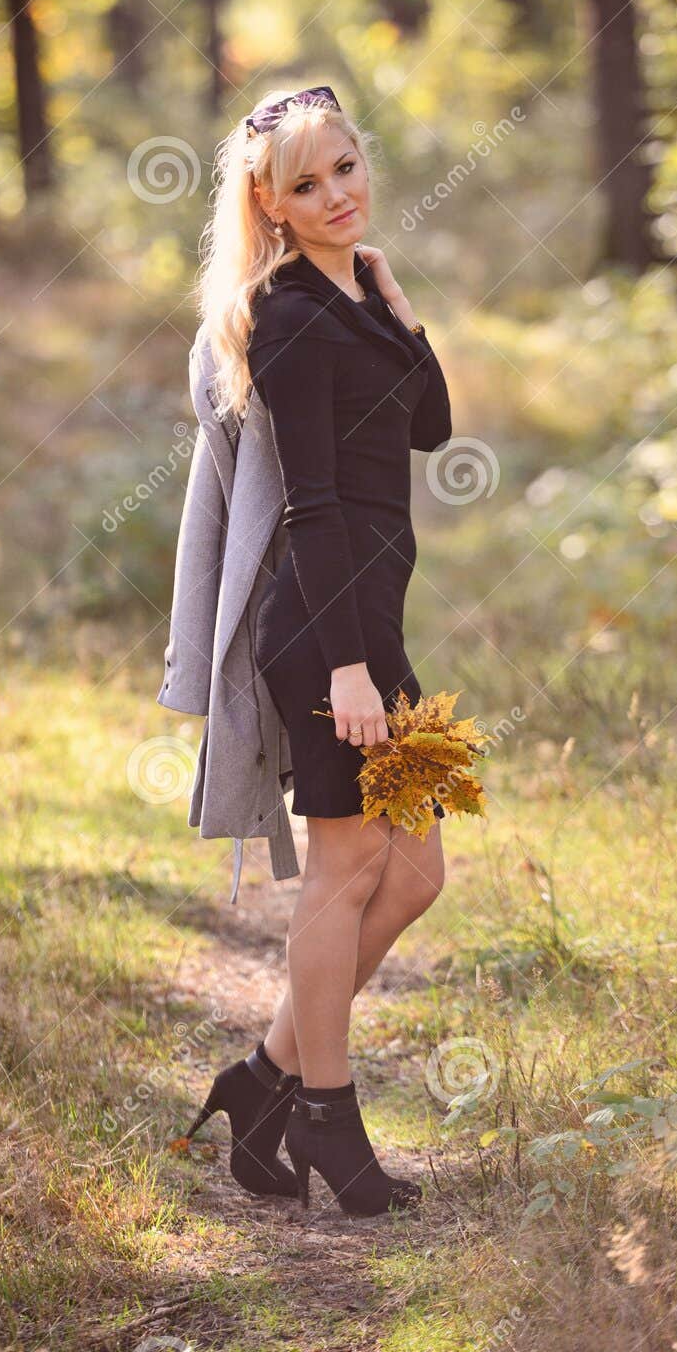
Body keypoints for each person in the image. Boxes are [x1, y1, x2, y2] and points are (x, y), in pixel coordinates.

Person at [182, 84, 453, 1216]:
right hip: (324, 625)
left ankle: (262, 1082)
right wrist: (346, 668)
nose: (336, 194)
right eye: (307, 184)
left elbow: (431, 425)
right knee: (347, 872)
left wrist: (395, 300)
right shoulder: (285, 316)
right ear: (270, 201)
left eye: (345, 168)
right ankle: (331, 1132)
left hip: (373, 620)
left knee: (418, 870)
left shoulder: (355, 295)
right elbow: (316, 505)